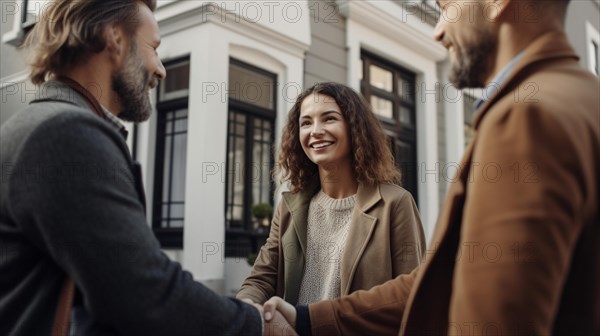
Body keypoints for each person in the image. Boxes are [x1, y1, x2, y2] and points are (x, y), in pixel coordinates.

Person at [262, 0, 600, 335]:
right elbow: (441, 281)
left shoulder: (524, 117)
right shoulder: (582, 99)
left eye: (446, 6)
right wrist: (308, 318)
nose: (438, 32)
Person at [0, 0, 282, 334]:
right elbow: (145, 293)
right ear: (114, 39)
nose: (160, 69)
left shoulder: (43, 123)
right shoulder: (67, 134)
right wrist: (256, 325)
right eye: (154, 48)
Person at [236, 82, 426, 306]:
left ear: (355, 127)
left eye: (329, 118)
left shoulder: (395, 203)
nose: (315, 131)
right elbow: (261, 278)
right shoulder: (290, 206)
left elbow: (410, 296)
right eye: (306, 123)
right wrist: (246, 306)